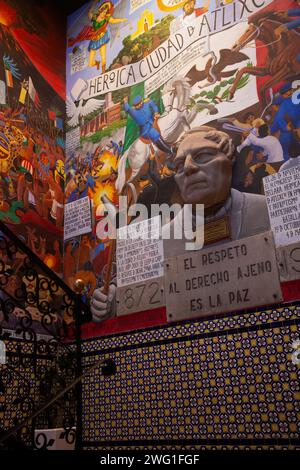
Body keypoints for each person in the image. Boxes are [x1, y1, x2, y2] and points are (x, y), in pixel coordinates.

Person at [91, 126, 271, 321]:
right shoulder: (160, 240)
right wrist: (113, 302)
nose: (187, 168)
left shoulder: (267, 213)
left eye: (202, 155)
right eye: (178, 165)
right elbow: (135, 299)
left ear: (229, 158)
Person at [68, 1, 127, 73]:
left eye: (106, 12)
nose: (104, 13)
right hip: (94, 39)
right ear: (100, 10)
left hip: (102, 37)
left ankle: (103, 72)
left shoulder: (106, 18)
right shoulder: (95, 17)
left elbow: (113, 20)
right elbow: (89, 13)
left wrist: (122, 19)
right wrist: (93, 4)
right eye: (103, 11)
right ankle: (97, 63)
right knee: (90, 64)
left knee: (103, 57)